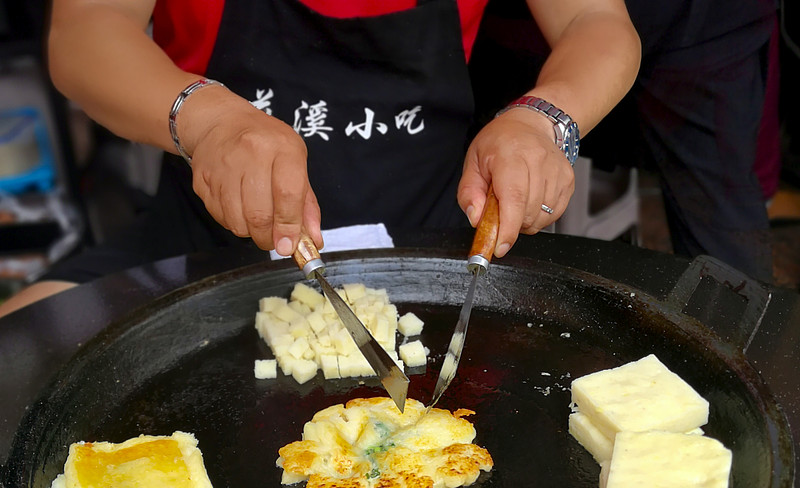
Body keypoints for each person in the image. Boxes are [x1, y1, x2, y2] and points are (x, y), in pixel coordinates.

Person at [0, 0, 641, 317]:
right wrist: (210, 119)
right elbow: (87, 36)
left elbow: (595, 18)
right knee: (26, 337)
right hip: (202, 237)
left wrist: (544, 116)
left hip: (433, 244)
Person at [469, 0, 780, 284]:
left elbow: (592, 20)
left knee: (723, 233)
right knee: (506, 194)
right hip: (527, 39)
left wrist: (537, 118)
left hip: (699, 27)